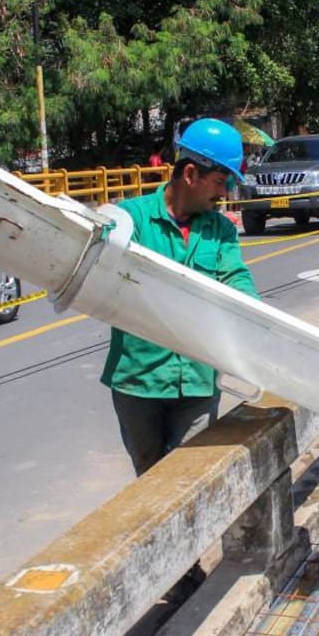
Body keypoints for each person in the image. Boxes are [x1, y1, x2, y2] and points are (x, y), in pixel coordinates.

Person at [101, 117, 258, 477]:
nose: (224, 193)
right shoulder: (132, 220)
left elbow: (236, 277)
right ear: (190, 174)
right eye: (220, 182)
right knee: (150, 480)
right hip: (139, 381)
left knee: (189, 481)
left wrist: (258, 323)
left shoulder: (219, 229)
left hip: (199, 379)